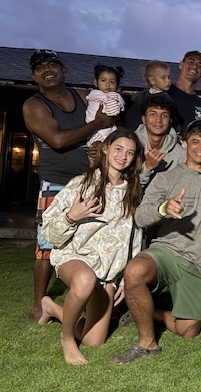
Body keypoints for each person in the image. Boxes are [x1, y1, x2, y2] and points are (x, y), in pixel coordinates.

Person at [110, 120, 201, 364]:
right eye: (195, 141)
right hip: (165, 250)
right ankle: (147, 343)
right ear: (185, 143)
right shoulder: (166, 178)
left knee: (188, 331)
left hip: (196, 260)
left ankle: (146, 310)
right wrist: (163, 208)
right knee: (134, 271)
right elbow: (141, 217)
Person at [23, 49, 115, 322]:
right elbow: (58, 140)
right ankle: (39, 304)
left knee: (89, 239)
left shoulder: (84, 96)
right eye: (40, 67)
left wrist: (103, 141)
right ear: (34, 76)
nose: (47, 70)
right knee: (47, 243)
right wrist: (96, 124)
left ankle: (90, 298)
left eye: (52, 64)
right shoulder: (34, 105)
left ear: (64, 70)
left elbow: (110, 120)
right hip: (57, 182)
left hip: (90, 181)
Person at [37, 129, 143, 365]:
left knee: (93, 341)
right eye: (118, 149)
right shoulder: (81, 184)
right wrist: (71, 218)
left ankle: (51, 308)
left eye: (130, 152)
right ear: (105, 149)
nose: (123, 156)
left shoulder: (133, 192)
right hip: (75, 258)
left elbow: (134, 239)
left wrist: (125, 279)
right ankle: (66, 338)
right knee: (85, 278)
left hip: (106, 273)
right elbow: (49, 234)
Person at [134, 94, 186, 187]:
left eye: (164, 115)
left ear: (170, 121)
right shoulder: (131, 146)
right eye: (153, 114)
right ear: (144, 119)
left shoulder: (181, 155)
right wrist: (147, 167)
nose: (158, 120)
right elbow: (126, 188)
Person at [167, 50, 201, 131]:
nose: (195, 67)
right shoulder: (165, 92)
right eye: (191, 62)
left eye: (200, 66)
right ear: (181, 65)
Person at [125, 60, 175, 130]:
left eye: (169, 77)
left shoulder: (142, 94)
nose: (168, 81)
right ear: (152, 80)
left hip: (130, 126)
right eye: (163, 78)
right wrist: (177, 128)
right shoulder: (165, 97)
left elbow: (132, 99)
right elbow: (172, 114)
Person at [85, 64, 126, 147]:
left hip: (107, 128)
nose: (108, 85)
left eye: (112, 82)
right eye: (103, 80)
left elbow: (117, 109)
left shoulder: (115, 96)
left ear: (117, 85)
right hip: (90, 127)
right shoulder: (94, 94)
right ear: (95, 82)